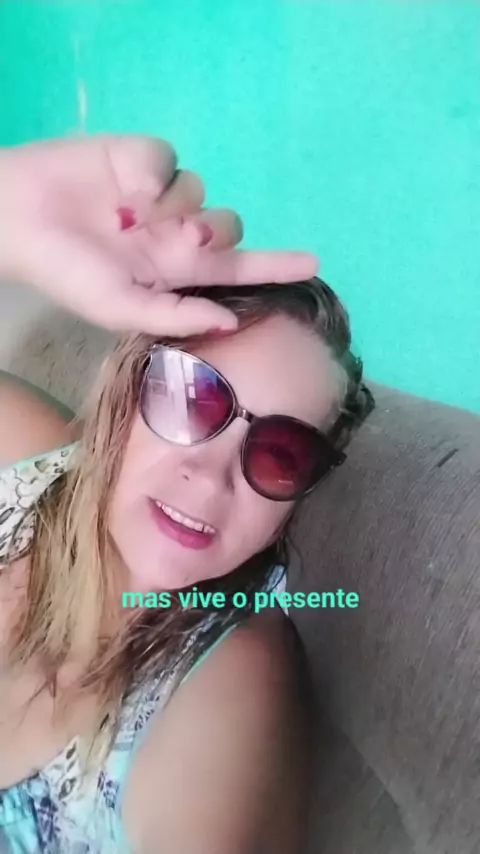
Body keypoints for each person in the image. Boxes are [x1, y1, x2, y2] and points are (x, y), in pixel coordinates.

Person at [0, 134, 375, 854]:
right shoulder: (19, 456)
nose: (210, 477)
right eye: (191, 398)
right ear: (124, 385)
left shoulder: (231, 681)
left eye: (282, 452)